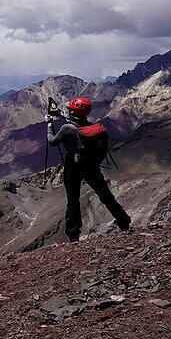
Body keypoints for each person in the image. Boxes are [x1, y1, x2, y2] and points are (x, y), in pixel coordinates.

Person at [46, 97, 131, 242]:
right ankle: (124, 222)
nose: (68, 110)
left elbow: (52, 142)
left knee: (73, 200)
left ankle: (73, 236)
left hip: (72, 169)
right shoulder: (89, 126)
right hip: (92, 167)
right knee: (105, 196)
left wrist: (49, 125)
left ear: (73, 112)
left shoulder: (66, 129)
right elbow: (75, 126)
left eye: (70, 109)